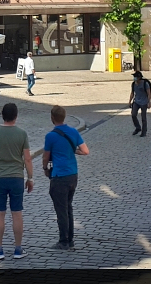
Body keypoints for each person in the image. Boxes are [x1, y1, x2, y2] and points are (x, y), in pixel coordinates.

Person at [0, 102, 34, 260]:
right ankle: (18, 249)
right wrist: (30, 178)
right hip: (17, 178)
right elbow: (27, 159)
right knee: (17, 213)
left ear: (2, 115)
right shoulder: (22, 133)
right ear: (16, 116)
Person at [42, 105, 89, 251]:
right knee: (68, 207)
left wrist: (45, 168)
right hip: (72, 174)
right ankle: (70, 238)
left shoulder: (50, 136)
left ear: (52, 118)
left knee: (61, 210)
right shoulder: (73, 132)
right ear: (64, 116)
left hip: (59, 176)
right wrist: (73, 151)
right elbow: (85, 151)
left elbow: (46, 157)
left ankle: (64, 241)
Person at [129, 71, 151, 136]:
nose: (134, 78)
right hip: (136, 101)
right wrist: (129, 101)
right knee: (133, 114)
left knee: (143, 117)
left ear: (139, 77)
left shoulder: (145, 84)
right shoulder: (133, 84)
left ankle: (144, 132)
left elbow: (149, 93)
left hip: (144, 102)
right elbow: (132, 93)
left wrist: (149, 102)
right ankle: (138, 127)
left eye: (135, 77)